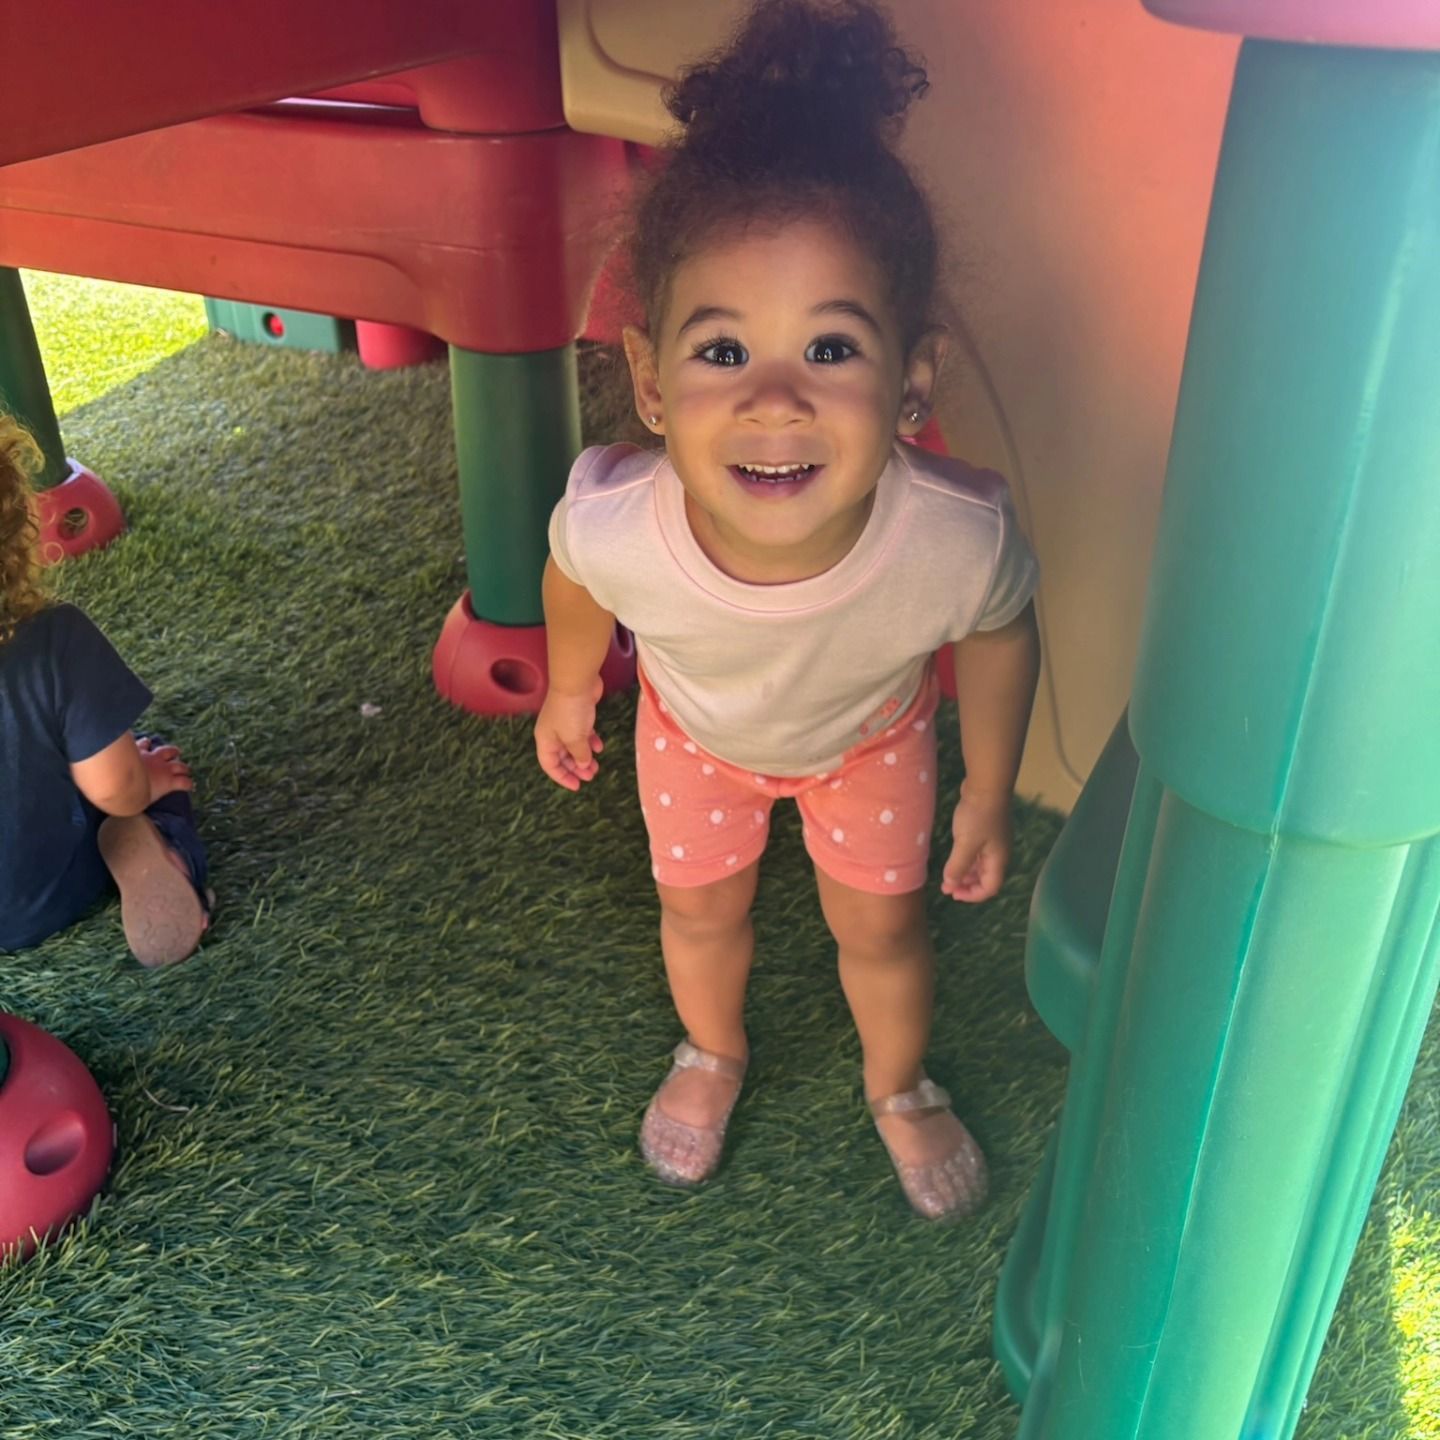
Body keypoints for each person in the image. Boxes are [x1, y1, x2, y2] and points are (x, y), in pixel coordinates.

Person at [534, 0, 1040, 1221]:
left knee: (883, 934)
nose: (773, 400)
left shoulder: (955, 536)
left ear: (910, 379)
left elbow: (1004, 628)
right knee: (698, 914)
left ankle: (900, 1084)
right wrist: (563, 682)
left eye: (829, 350)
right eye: (721, 354)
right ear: (651, 382)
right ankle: (710, 1051)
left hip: (870, 743)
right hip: (693, 741)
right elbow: (572, 576)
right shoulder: (616, 521)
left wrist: (984, 791)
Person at [0, 412, 212, 967]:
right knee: (145, 762)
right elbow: (116, 789)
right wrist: (146, 782)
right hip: (52, 888)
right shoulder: (54, 639)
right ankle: (168, 850)